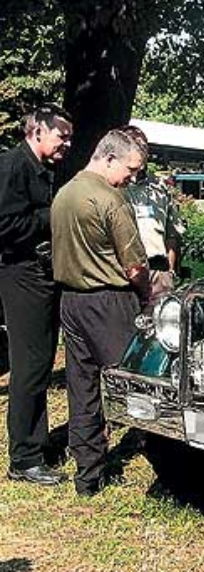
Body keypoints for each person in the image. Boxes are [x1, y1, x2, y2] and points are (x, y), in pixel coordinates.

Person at [51, 129, 150, 496]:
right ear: (109, 158)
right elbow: (135, 266)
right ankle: (161, 457)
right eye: (131, 169)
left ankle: (87, 475)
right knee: (137, 382)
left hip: (71, 301)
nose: (132, 177)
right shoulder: (111, 199)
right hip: (110, 301)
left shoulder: (64, 194)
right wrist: (146, 297)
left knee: (82, 387)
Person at [0, 104, 72, 486]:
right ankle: (24, 458)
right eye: (62, 135)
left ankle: (36, 446)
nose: (67, 143)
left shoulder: (43, 168)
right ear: (38, 131)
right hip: (21, 273)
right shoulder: (13, 167)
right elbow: (6, 225)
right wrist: (53, 215)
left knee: (41, 362)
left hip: (40, 273)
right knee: (29, 366)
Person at [119, 125, 185, 301]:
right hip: (124, 273)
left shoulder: (159, 186)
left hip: (158, 270)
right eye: (136, 146)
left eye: (144, 147)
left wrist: (169, 271)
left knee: (163, 317)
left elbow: (173, 232)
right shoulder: (114, 186)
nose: (142, 152)